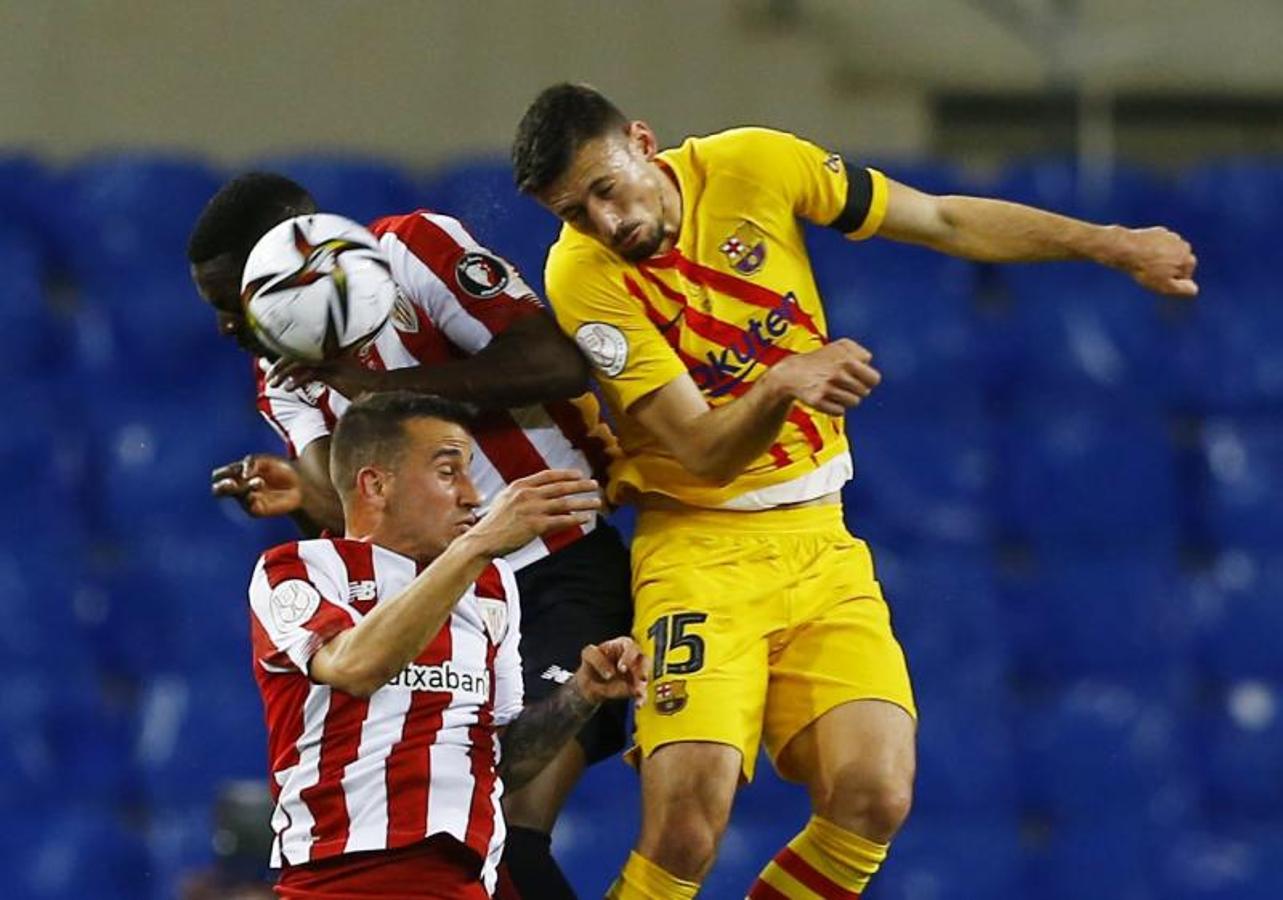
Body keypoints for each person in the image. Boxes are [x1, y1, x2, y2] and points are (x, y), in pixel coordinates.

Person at [511, 83, 1199, 899]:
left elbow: (940, 219)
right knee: (687, 824)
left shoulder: (755, 164)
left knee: (875, 795)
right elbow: (700, 451)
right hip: (698, 547)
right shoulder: (584, 276)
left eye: (605, 188)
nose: (604, 222)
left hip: (820, 541)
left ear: (644, 141)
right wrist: (780, 383)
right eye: (574, 211)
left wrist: (1110, 243)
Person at [187, 174, 633, 899]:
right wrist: (303, 499)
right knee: (475, 833)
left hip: (558, 565)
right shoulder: (282, 378)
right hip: (444, 605)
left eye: (228, 299)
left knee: (511, 825)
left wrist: (375, 391)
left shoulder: (412, 251)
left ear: (290, 258)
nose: (225, 325)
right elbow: (349, 517)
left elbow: (552, 363)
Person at [248, 390, 646, 898]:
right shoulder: (299, 568)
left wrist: (580, 694)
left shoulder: (490, 587)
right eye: (447, 472)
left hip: (466, 880)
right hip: (342, 883)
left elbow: (503, 759)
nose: (473, 496)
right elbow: (354, 666)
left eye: (469, 472)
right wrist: (475, 547)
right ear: (376, 485)